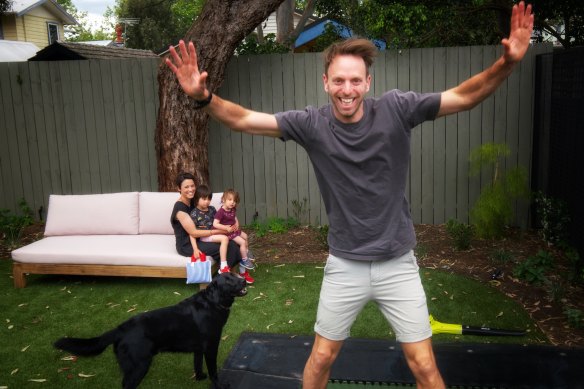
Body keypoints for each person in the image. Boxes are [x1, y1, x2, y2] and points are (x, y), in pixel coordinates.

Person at [165, 2, 533, 388]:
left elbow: (464, 96)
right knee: (322, 356)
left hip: (397, 262)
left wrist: (506, 63)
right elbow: (243, 119)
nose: (347, 89)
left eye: (355, 80)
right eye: (339, 81)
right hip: (345, 265)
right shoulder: (310, 125)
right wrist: (204, 98)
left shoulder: (396, 109)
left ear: (368, 83)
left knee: (423, 365)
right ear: (326, 82)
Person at [171, 173, 254, 284]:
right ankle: (224, 278)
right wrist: (222, 230)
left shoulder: (194, 201)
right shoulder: (180, 209)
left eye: (192, 185)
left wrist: (231, 225)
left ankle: (229, 272)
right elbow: (194, 233)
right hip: (187, 244)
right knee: (229, 245)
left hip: (201, 238)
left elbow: (219, 211)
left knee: (233, 241)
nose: (190, 189)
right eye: (186, 187)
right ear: (179, 189)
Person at [213, 189, 255, 271]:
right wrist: (226, 228)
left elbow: (234, 217)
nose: (232, 202)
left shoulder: (232, 209)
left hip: (233, 229)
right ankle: (244, 259)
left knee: (245, 236)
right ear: (223, 200)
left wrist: (237, 224)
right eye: (230, 200)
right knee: (242, 242)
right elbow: (215, 224)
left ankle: (246, 251)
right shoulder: (221, 212)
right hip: (227, 233)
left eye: (234, 201)